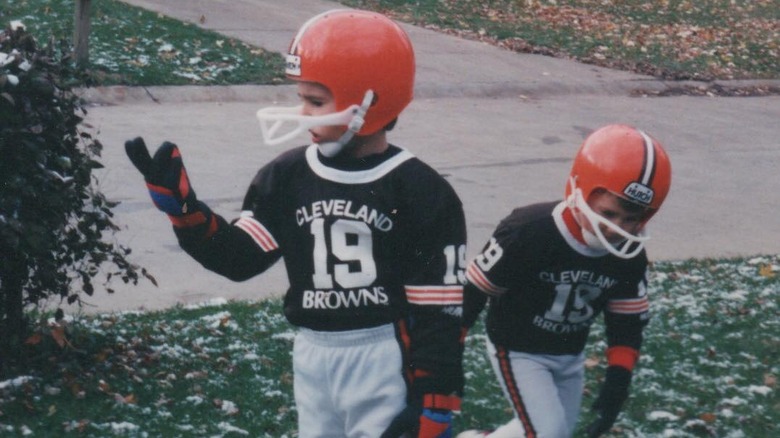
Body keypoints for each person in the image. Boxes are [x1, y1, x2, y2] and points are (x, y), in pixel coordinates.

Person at [125, 9, 467, 438]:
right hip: (312, 353)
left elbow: (439, 309)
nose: (303, 113)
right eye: (302, 97)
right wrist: (186, 212)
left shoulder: (419, 190)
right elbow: (239, 258)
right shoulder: (287, 176)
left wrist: (436, 399)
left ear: (370, 102)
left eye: (317, 101)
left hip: (383, 354)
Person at [456, 124, 672, 438]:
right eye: (609, 213)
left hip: (570, 352)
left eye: (631, 219)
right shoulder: (529, 231)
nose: (617, 228)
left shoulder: (628, 253)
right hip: (518, 348)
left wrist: (618, 379)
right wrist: (448, 355)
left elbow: (626, 321)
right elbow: (473, 294)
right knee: (549, 432)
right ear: (578, 189)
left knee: (554, 431)